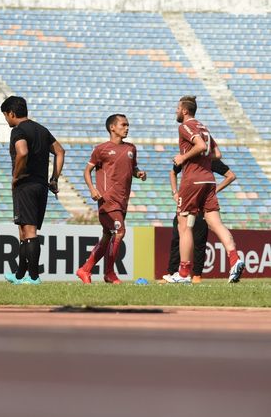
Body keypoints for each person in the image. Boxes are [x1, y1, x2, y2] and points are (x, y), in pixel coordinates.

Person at [165, 95, 244, 283]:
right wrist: (202, 160)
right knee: (215, 222)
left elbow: (199, 146)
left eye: (177, 108)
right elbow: (217, 153)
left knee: (184, 225)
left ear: (184, 110)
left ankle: (183, 274)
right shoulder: (204, 127)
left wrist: (184, 158)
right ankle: (235, 258)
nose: (176, 111)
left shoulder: (184, 126)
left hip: (192, 180)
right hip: (209, 180)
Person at [0, 96, 64, 285]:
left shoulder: (18, 131)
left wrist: (16, 175)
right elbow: (60, 151)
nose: (6, 120)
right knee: (23, 230)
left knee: (29, 231)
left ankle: (34, 277)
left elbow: (22, 152)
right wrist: (54, 178)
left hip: (25, 185)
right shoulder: (42, 130)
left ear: (11, 113)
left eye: (5, 116)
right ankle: (20, 275)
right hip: (41, 185)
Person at [76, 114, 147, 284]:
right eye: (123, 125)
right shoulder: (101, 149)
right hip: (107, 199)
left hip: (123, 200)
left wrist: (139, 173)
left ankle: (85, 269)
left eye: (128, 125)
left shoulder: (131, 148)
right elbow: (87, 171)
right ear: (112, 128)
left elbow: (133, 167)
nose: (127, 128)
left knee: (108, 235)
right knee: (119, 231)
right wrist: (92, 189)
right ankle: (109, 273)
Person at [160, 159, 236, 284]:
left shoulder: (209, 159)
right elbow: (172, 172)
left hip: (201, 206)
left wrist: (214, 191)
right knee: (177, 238)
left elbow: (230, 175)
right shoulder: (187, 157)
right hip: (186, 201)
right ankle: (173, 273)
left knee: (199, 241)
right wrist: (175, 192)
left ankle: (196, 275)